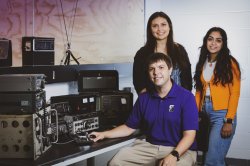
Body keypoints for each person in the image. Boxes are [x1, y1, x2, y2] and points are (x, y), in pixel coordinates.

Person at [90, 52, 198, 166]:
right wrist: (104, 134)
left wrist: (174, 155)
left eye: (161, 67)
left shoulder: (186, 97)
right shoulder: (144, 97)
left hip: (180, 149)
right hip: (150, 147)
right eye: (152, 69)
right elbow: (128, 127)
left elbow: (189, 136)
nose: (156, 72)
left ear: (170, 70)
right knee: (115, 163)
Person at [193, 27, 241, 166]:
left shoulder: (230, 63)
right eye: (210, 39)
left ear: (223, 43)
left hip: (222, 114)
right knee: (207, 155)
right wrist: (196, 113)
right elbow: (199, 92)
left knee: (212, 160)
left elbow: (235, 93)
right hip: (204, 112)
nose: (213, 43)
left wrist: (229, 120)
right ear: (206, 41)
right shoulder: (203, 62)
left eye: (218, 40)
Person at [133, 11, 192, 94]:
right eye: (155, 26)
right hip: (153, 102)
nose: (159, 29)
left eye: (163, 25)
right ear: (150, 29)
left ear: (169, 27)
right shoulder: (142, 53)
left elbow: (187, 80)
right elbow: (138, 83)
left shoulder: (179, 49)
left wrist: (184, 100)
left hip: (178, 101)